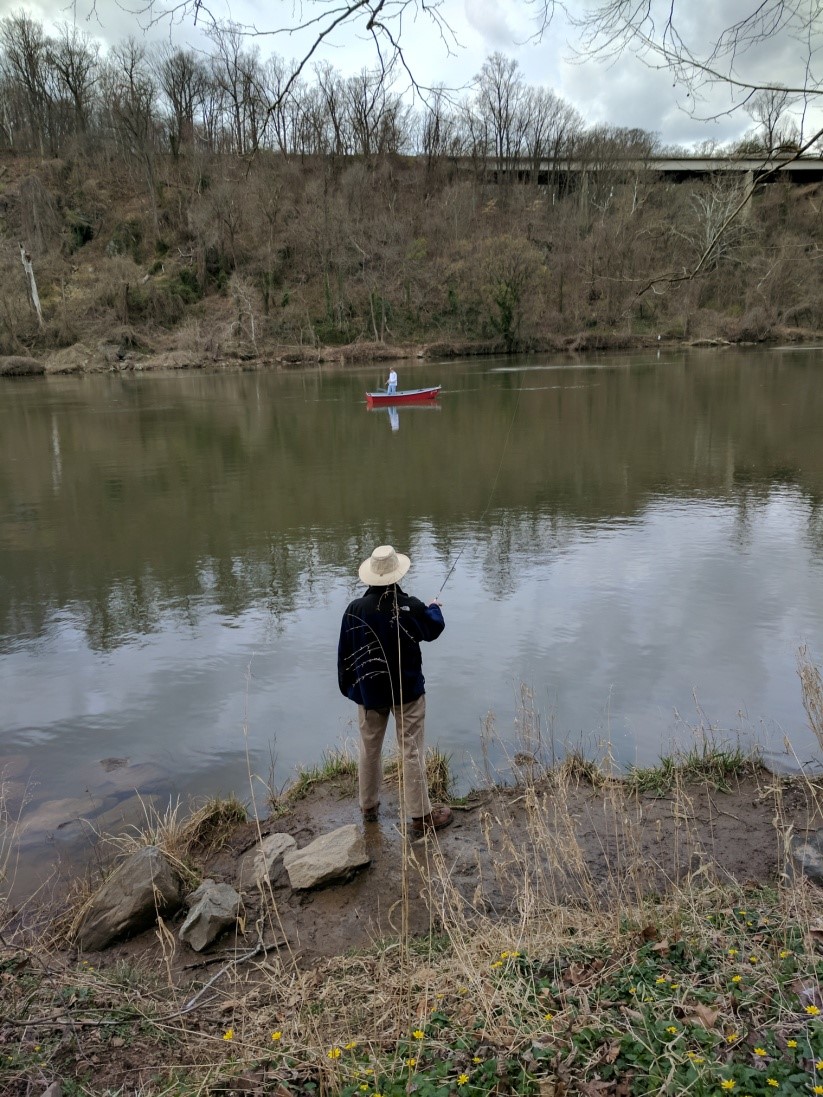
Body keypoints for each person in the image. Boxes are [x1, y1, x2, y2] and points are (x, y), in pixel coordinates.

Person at [337, 544, 453, 837]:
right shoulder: (410, 606)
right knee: (411, 751)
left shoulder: (354, 610)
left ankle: (368, 807)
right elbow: (433, 629)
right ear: (397, 574)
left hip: (369, 695)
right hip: (408, 692)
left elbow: (344, 656)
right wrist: (434, 608)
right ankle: (420, 817)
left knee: (369, 750)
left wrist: (354, 691)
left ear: (370, 577)